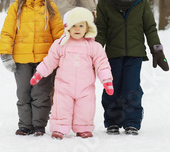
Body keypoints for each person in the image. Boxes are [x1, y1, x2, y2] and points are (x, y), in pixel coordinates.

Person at [95, 0, 169, 136]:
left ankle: (132, 122)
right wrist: (95, 52)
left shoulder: (140, 1)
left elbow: (149, 26)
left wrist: (156, 49)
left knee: (131, 88)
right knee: (111, 88)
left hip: (135, 54)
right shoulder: (105, 1)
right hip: (112, 54)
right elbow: (101, 29)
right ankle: (112, 121)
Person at [0, 0, 64, 136]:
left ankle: (39, 126)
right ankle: (25, 125)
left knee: (41, 93)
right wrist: (6, 53)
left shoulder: (50, 8)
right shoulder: (16, 8)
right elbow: (7, 32)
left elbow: (59, 33)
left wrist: (61, 54)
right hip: (21, 60)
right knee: (23, 92)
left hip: (45, 60)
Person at [30, 7, 114, 139]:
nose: (77, 29)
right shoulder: (60, 44)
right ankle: (59, 128)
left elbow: (102, 64)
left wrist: (107, 81)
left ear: (87, 28)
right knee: (61, 107)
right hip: (64, 86)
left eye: (81, 25)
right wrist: (39, 73)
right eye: (73, 25)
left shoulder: (93, 46)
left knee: (85, 109)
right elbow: (50, 60)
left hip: (85, 87)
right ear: (67, 27)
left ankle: (83, 128)